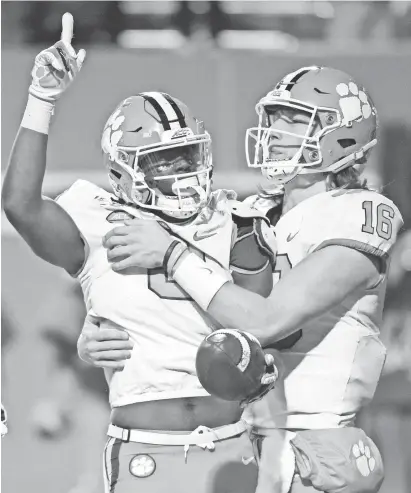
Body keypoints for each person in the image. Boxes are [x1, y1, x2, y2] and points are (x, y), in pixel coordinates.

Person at [85, 66, 404, 493]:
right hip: (235, 441)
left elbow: (266, 321)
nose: (274, 131)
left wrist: (171, 253)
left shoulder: (361, 212)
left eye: (293, 119)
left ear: (340, 136)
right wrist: (96, 331)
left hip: (314, 441)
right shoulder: (249, 213)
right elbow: (190, 306)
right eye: (272, 118)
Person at [2, 12, 278, 493]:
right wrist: (42, 98)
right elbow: (20, 206)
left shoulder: (234, 218)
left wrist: (173, 252)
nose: (182, 171)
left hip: (232, 438)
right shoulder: (95, 216)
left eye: (187, 156)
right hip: (144, 446)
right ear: (124, 172)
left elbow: (265, 324)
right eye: (162, 161)